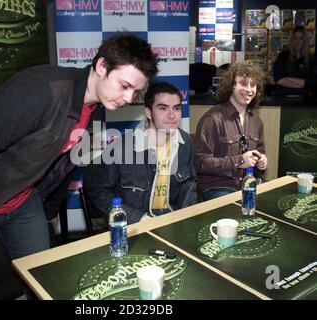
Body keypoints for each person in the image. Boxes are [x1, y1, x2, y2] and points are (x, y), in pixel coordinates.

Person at [0, 33, 158, 299]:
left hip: (20, 200)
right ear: (101, 67)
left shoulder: (97, 108)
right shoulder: (41, 90)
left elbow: (68, 163)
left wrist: (48, 210)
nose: (129, 98)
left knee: (43, 278)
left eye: (136, 92)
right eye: (125, 85)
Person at [84, 82, 197, 224]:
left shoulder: (185, 143)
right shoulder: (122, 148)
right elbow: (98, 191)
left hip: (173, 221)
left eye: (177, 108)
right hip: (136, 225)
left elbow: (189, 183)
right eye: (163, 108)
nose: (172, 115)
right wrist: (136, 218)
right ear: (148, 112)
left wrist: (188, 215)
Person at [194, 61, 268, 201]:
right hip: (218, 186)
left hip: (247, 183)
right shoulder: (213, 118)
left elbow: (259, 155)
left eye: (253, 85)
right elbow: (200, 163)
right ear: (231, 86)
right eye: (243, 83)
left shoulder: (257, 122)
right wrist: (239, 161)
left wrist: (261, 162)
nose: (249, 89)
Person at [272, 25, 317, 95]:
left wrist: (287, 78)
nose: (297, 41)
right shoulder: (283, 56)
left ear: (305, 41)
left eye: (301, 38)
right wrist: (303, 85)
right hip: (283, 99)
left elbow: (311, 82)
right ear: (291, 40)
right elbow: (278, 79)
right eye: (295, 38)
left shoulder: (311, 59)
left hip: (304, 101)